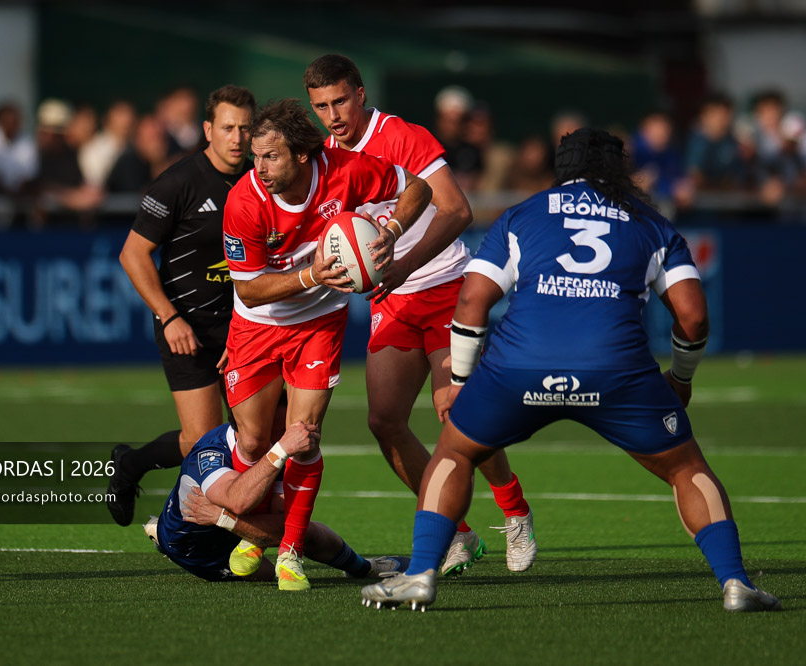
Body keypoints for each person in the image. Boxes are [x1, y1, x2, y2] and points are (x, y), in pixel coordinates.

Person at [361, 128, 782, 613]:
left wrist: (459, 383)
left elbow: (473, 302)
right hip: (616, 369)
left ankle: (420, 575)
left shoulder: (523, 213)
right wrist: (681, 378)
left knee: (454, 451)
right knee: (686, 467)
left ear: (561, 169)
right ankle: (735, 584)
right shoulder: (650, 222)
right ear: (620, 170)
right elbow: (693, 316)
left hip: (520, 366)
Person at [303, 54, 536, 576]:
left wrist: (398, 264)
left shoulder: (401, 135)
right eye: (321, 106)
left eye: (340, 100)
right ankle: (458, 533)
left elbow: (457, 210)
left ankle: (515, 512)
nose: (333, 114)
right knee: (384, 421)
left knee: (459, 414)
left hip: (446, 287)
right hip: (393, 302)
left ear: (360, 93)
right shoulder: (323, 156)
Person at [221, 97, 432, 591]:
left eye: (270, 156)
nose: (259, 168)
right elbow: (249, 287)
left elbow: (418, 186)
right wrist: (313, 273)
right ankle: (259, 531)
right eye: (255, 156)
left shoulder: (344, 170)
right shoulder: (244, 201)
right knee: (253, 440)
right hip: (256, 323)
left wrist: (392, 230)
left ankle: (290, 550)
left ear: (300, 155)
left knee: (303, 433)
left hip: (319, 320)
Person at [107, 85, 257, 526]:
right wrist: (169, 316)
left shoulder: (258, 180)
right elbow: (132, 255)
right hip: (185, 326)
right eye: (228, 128)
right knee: (200, 441)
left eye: (246, 129)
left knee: (254, 437)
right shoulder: (178, 182)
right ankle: (132, 467)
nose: (237, 138)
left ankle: (234, 527)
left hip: (243, 331)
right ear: (208, 129)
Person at [145, 412, 408, 583]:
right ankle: (163, 537)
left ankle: (364, 568)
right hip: (198, 548)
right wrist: (224, 518)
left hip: (227, 524)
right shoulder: (211, 453)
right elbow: (238, 502)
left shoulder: (272, 448)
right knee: (269, 574)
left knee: (301, 531)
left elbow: (287, 527)